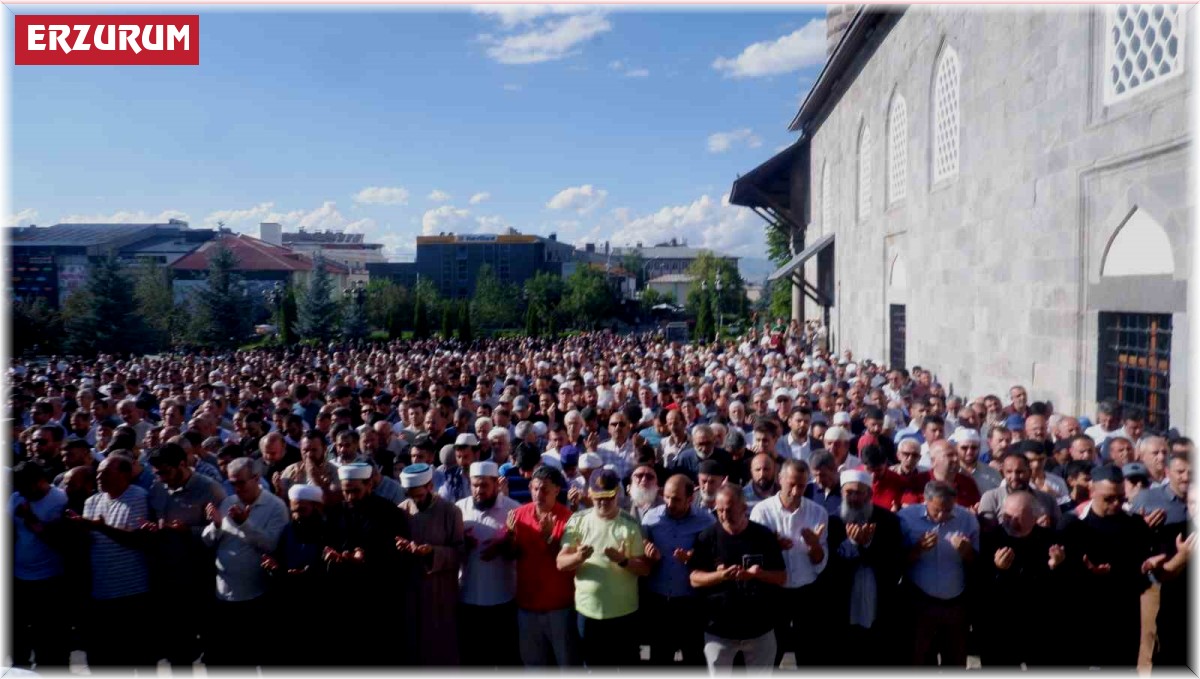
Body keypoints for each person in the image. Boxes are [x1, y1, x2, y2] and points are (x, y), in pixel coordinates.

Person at [689, 484, 787, 674]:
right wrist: (720, 576)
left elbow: (782, 577)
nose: (724, 515)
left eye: (729, 509)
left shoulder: (763, 536)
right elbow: (694, 578)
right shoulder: (707, 537)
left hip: (760, 629)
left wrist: (759, 575)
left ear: (744, 508)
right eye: (720, 510)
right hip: (719, 630)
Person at [201, 457, 288, 667]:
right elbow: (207, 540)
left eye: (241, 482)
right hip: (224, 594)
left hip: (256, 596)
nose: (237, 488)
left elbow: (272, 545)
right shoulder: (229, 502)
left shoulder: (275, 507)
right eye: (233, 483)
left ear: (256, 479)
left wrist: (244, 524)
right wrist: (216, 525)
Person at [558, 469, 651, 668]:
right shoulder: (577, 521)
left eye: (608, 497)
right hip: (588, 612)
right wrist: (578, 556)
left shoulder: (630, 524)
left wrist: (623, 560)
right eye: (598, 497)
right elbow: (561, 563)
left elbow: (644, 569)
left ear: (617, 493)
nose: (603, 503)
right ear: (589, 494)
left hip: (624, 614)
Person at [146, 442, 227, 668]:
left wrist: (188, 531)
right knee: (178, 647)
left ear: (182, 464)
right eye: (157, 473)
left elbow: (224, 531)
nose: (161, 477)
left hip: (201, 577)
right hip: (169, 578)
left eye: (165, 472)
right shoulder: (157, 488)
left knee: (212, 645)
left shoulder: (209, 489)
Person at [72, 454, 156, 669]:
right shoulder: (92, 501)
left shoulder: (137, 497)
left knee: (138, 659)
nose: (99, 477)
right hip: (101, 593)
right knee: (104, 662)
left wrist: (102, 528)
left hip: (132, 594)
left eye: (106, 472)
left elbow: (136, 540)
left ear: (125, 474)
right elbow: (89, 540)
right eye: (98, 472)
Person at [325, 462, 412, 666]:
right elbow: (326, 543)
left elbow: (400, 552)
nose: (350, 497)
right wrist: (336, 555)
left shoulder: (389, 512)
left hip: (379, 596)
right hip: (344, 596)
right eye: (346, 492)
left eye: (355, 491)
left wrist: (368, 557)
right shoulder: (335, 512)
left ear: (369, 485)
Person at [749, 459, 829, 667]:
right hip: (775, 591)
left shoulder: (817, 512)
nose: (795, 491)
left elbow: (820, 562)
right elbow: (755, 556)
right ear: (780, 479)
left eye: (801, 486)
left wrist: (814, 546)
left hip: (806, 590)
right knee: (770, 651)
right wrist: (773, 546)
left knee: (809, 651)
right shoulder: (762, 511)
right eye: (791, 484)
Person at [825, 469, 905, 665]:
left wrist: (868, 545)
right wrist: (852, 544)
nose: (853, 497)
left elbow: (895, 562)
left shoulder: (888, 521)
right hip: (843, 600)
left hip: (877, 598)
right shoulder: (832, 522)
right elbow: (829, 567)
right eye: (848, 492)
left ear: (869, 494)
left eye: (859, 492)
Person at [976, 492, 1066, 667]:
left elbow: (1060, 588)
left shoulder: (1049, 539)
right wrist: (999, 571)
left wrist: (1056, 566)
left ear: (1034, 517)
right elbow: (981, 586)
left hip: (1039, 626)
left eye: (1016, 517)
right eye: (1006, 516)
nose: (1009, 522)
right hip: (1000, 627)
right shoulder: (991, 539)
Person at [506, 465, 580, 667]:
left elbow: (566, 561)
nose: (539, 494)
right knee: (533, 664)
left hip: (559, 608)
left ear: (557, 490)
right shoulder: (518, 515)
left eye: (545, 489)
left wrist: (548, 537)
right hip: (527, 607)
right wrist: (511, 536)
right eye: (536, 488)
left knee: (566, 663)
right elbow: (511, 555)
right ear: (530, 487)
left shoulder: (569, 519)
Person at [899, 480, 979, 667]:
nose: (943, 515)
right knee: (919, 659)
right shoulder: (906, 518)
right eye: (937, 510)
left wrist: (967, 552)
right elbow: (896, 561)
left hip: (955, 603)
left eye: (948, 510)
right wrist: (917, 549)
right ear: (925, 501)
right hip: (920, 601)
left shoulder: (967, 519)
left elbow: (976, 563)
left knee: (956, 659)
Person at [641, 474, 715, 666]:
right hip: (659, 601)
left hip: (690, 603)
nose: (669, 503)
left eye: (676, 499)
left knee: (694, 658)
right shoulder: (651, 518)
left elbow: (714, 559)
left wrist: (693, 558)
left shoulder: (706, 521)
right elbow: (641, 556)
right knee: (660, 657)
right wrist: (649, 555)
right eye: (666, 497)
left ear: (690, 498)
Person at [399, 462, 466, 666]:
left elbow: (460, 553)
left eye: (420, 494)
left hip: (440, 591)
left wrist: (432, 552)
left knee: (440, 646)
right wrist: (402, 547)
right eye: (412, 495)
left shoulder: (450, 512)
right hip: (411, 589)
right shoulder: (402, 511)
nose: (416, 500)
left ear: (430, 486)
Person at [456, 460, 522, 667]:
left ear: (496, 484)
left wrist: (505, 544)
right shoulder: (459, 509)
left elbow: (520, 553)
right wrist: (462, 544)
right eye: (475, 485)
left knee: (505, 657)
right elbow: (451, 549)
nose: (478, 491)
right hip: (468, 596)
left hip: (503, 597)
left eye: (484, 485)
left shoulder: (513, 510)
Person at [262, 483, 331, 666]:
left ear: (316, 507)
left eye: (302, 510)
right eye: (293, 511)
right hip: (289, 600)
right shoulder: (288, 530)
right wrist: (274, 566)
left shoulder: (328, 531)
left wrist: (309, 573)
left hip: (317, 604)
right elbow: (278, 558)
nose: (297, 515)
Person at [10, 461, 70, 670]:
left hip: (49, 579)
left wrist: (29, 516)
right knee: (17, 638)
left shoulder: (60, 499)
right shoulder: (17, 498)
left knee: (50, 640)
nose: (22, 492)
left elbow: (60, 538)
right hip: (20, 577)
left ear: (41, 482)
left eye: (26, 487)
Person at [977, 452, 1061, 527]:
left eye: (1020, 472)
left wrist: (1046, 528)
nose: (1014, 477)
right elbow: (987, 533)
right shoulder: (991, 498)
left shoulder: (1047, 500)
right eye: (1009, 472)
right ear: (1003, 473)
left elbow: (1058, 529)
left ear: (1030, 473)